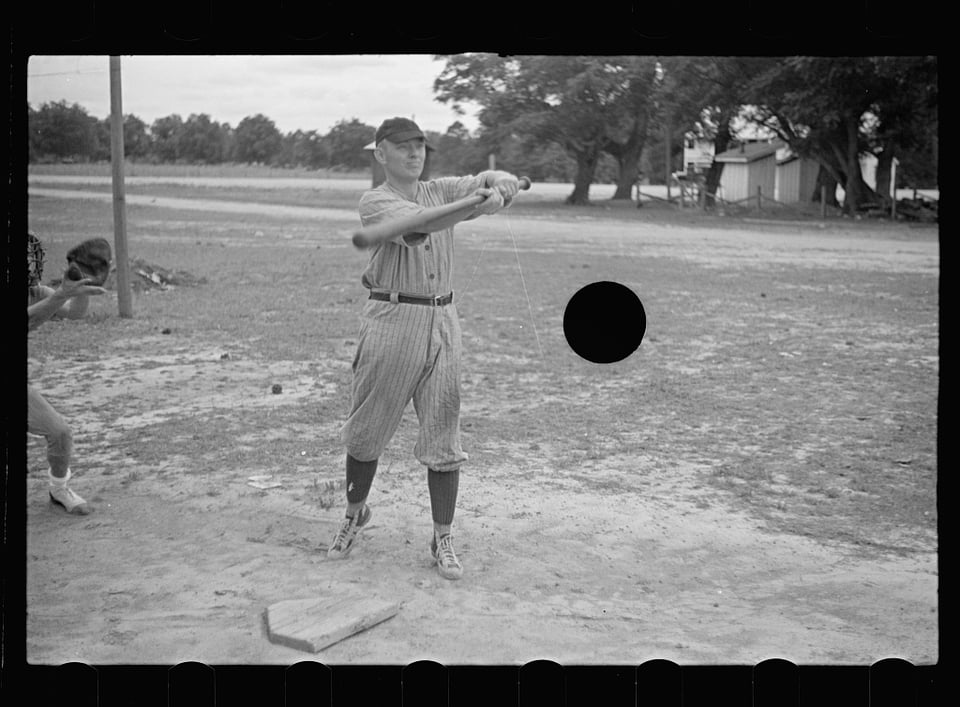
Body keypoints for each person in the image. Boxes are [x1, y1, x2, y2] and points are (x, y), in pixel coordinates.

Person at [327, 117, 522, 580]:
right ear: (381, 154)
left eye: (420, 147)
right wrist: (476, 207)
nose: (415, 154)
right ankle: (354, 515)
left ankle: (443, 535)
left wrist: (500, 184)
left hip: (443, 319)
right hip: (393, 318)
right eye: (403, 147)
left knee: (443, 431)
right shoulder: (375, 201)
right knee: (368, 429)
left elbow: (483, 180)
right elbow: (417, 229)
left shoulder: (442, 189)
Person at [27, 233, 108, 514]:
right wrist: (62, 292)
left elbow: (74, 313)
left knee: (59, 432)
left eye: (28, 256)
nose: (27, 263)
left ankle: (58, 488)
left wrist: (80, 290)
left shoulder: (34, 291)